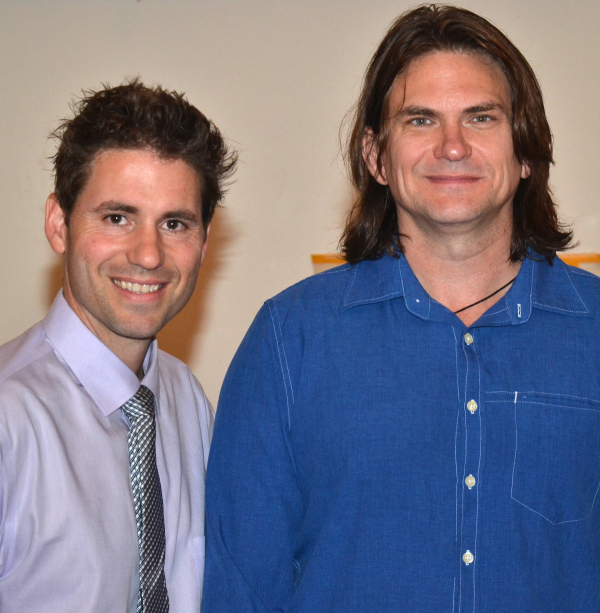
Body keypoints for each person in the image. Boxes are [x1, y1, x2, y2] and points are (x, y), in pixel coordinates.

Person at [204, 5, 600, 612]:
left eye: (481, 117)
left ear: (527, 152)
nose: (452, 146)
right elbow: (241, 590)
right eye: (420, 120)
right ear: (376, 156)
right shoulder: (290, 340)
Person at [0, 79, 236, 612]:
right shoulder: (9, 420)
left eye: (174, 223)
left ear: (202, 242)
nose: (148, 254)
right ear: (58, 223)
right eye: (117, 217)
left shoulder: (187, 403)